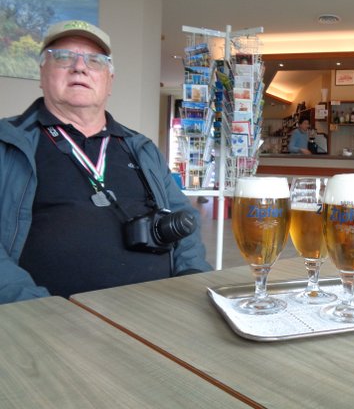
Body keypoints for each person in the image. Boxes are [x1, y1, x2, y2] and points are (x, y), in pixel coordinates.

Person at [0, 20, 212, 304]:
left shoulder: (141, 148)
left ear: (109, 81)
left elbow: (183, 220)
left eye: (95, 60)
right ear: (42, 73)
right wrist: (40, 310)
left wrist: (192, 280)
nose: (79, 67)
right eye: (62, 57)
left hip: (160, 309)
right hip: (50, 319)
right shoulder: (8, 143)